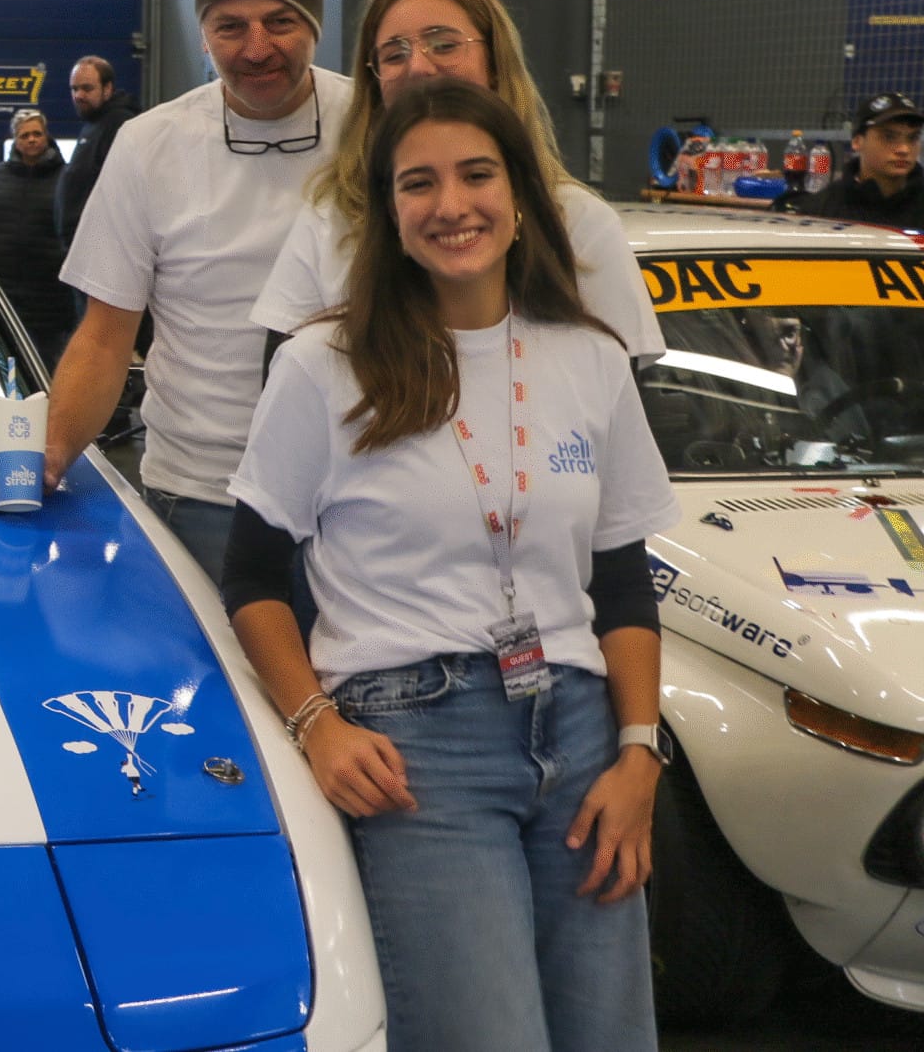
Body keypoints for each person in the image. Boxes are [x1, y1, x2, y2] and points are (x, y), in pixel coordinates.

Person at [221, 80, 674, 1052]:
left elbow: (622, 579)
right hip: (417, 747)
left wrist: (641, 752)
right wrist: (315, 724)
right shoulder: (322, 364)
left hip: (582, 732)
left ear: (520, 199)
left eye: (477, 175)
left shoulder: (589, 357)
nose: (451, 204)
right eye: (417, 182)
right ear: (388, 212)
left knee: (609, 1037)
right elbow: (252, 577)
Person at [0, 0, 354, 575]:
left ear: (316, 22)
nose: (257, 47)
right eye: (229, 26)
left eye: (280, 21)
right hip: (202, 497)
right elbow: (104, 336)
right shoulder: (150, 145)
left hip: (357, 494)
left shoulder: (377, 128)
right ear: (203, 34)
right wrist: (51, 449)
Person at [254, 0, 662, 363]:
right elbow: (286, 373)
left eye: (444, 45)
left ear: (495, 63)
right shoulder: (332, 216)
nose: (418, 67)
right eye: (394, 54)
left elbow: (617, 385)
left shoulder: (580, 222)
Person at [0, 108, 71, 361]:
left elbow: (81, 221)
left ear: (46, 136)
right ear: (15, 140)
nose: (32, 139)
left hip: (51, 295)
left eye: (37, 134)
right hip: (5, 288)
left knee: (48, 361)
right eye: (25, 135)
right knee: (6, 357)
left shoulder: (66, 177)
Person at [52, 55, 139, 255]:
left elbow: (122, 191)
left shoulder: (118, 124)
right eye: (74, 89)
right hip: (82, 247)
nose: (79, 95)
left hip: (101, 248)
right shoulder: (94, 123)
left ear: (107, 88)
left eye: (87, 88)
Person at [805, 92, 924, 228]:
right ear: (857, 142)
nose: (904, 149)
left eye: (913, 138)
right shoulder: (821, 209)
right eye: (889, 137)